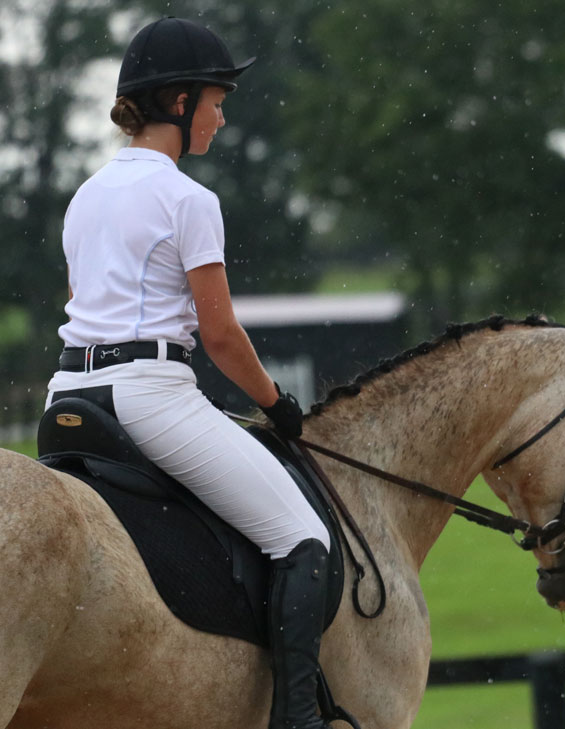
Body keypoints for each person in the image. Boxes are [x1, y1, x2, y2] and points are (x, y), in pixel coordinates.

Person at [45, 18, 335, 729]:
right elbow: (222, 337)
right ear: (178, 102)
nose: (221, 114)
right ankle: (297, 718)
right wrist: (280, 405)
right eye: (215, 98)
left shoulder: (86, 195)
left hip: (65, 396)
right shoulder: (188, 200)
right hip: (148, 396)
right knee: (304, 538)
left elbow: (83, 304)